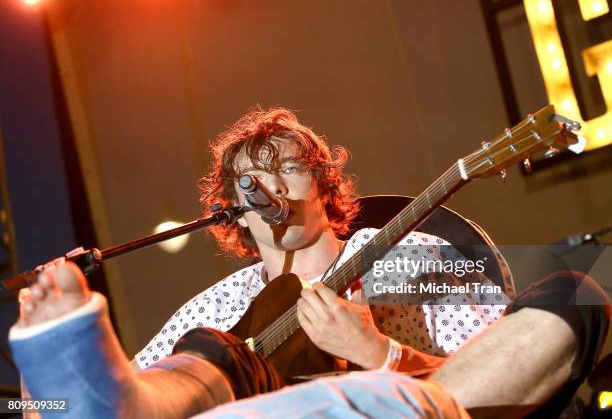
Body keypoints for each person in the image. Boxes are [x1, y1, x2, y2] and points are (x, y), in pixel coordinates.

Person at [9, 107, 610, 418]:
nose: (267, 187)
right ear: (232, 212)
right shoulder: (215, 306)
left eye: (287, 169)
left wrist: (383, 356)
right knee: (211, 355)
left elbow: (509, 376)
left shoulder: (404, 259)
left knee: (573, 293)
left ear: (326, 186)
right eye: (249, 183)